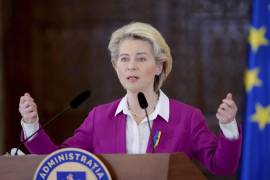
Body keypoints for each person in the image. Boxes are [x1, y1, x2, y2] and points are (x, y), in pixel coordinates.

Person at [19, 22, 241, 176]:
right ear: (116, 66)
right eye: (124, 59)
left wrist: (228, 126)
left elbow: (222, 166)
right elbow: (59, 160)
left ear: (159, 66)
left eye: (141, 58)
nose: (131, 66)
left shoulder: (187, 117)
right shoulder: (99, 117)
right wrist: (31, 125)